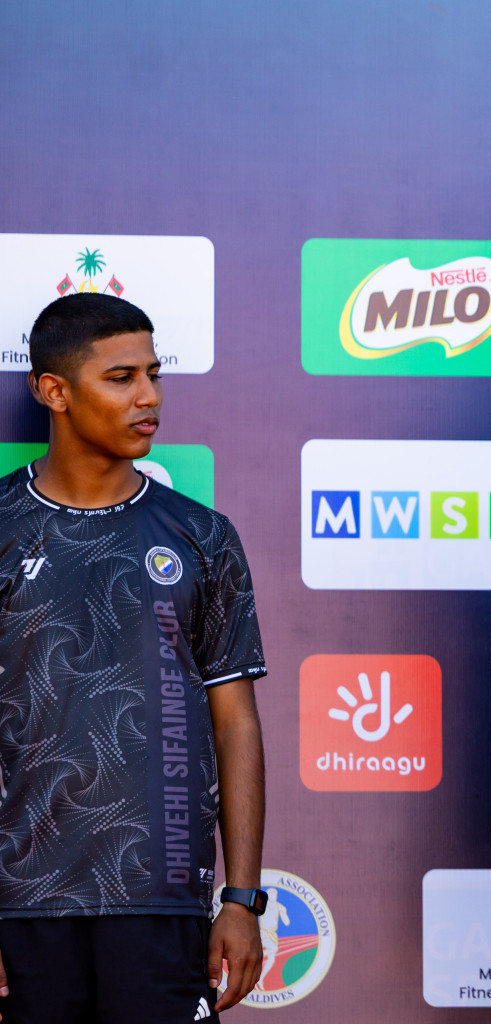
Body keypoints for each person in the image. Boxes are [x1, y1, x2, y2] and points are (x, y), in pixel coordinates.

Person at [0, 294, 269, 1022]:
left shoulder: (201, 536)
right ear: (53, 390)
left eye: (154, 374)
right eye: (121, 378)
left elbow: (236, 724)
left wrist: (242, 901)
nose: (149, 396)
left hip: (161, 898)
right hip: (20, 903)